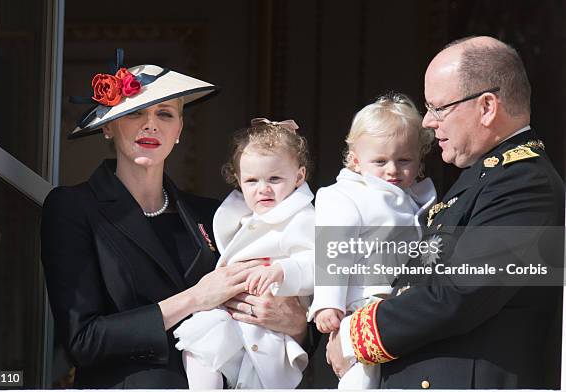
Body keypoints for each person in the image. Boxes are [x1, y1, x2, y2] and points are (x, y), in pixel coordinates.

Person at [40, 54, 309, 388]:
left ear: (179, 130)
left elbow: (288, 274)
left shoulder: (218, 215)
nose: (150, 124)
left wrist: (296, 323)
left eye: (164, 114)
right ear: (108, 125)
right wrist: (195, 299)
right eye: (135, 112)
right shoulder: (73, 207)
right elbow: (84, 341)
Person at [326, 36, 565, 389]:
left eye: (439, 108)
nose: (427, 122)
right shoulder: (484, 177)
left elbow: (459, 293)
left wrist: (353, 335)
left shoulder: (525, 183)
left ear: (486, 107)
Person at [174, 118, 315, 389]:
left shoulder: (303, 218)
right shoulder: (237, 215)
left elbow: (318, 263)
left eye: (275, 179)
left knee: (255, 375)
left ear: (298, 177)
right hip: (228, 313)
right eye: (252, 180)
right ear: (238, 180)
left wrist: (282, 270)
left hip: (270, 325)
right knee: (199, 346)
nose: (263, 188)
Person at [309, 93, 436, 389]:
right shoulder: (345, 195)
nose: (392, 170)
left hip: (404, 310)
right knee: (360, 377)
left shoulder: (420, 199)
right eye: (380, 161)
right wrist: (328, 303)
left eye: (404, 160)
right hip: (363, 305)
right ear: (355, 160)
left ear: (419, 161)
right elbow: (332, 250)